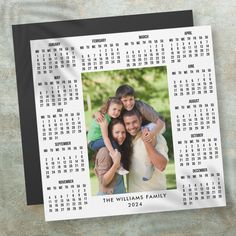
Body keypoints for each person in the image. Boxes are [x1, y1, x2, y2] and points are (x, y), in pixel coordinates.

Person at [122, 109, 168, 192]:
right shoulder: (126, 140)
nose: (131, 126)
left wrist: (147, 142)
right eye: (127, 124)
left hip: (155, 193)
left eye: (134, 122)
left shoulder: (154, 136)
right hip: (135, 196)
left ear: (140, 119)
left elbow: (161, 165)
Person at [87, 97, 128, 175]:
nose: (116, 112)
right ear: (108, 107)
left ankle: (119, 163)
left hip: (97, 140)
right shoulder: (104, 119)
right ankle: (118, 166)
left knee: (113, 142)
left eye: (119, 110)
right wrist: (113, 152)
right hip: (93, 142)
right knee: (113, 142)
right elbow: (105, 138)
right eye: (114, 109)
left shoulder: (108, 117)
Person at [94, 119, 132, 195]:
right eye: (117, 132)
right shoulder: (104, 151)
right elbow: (103, 182)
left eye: (123, 132)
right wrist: (116, 164)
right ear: (110, 134)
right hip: (108, 199)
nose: (121, 136)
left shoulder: (119, 149)